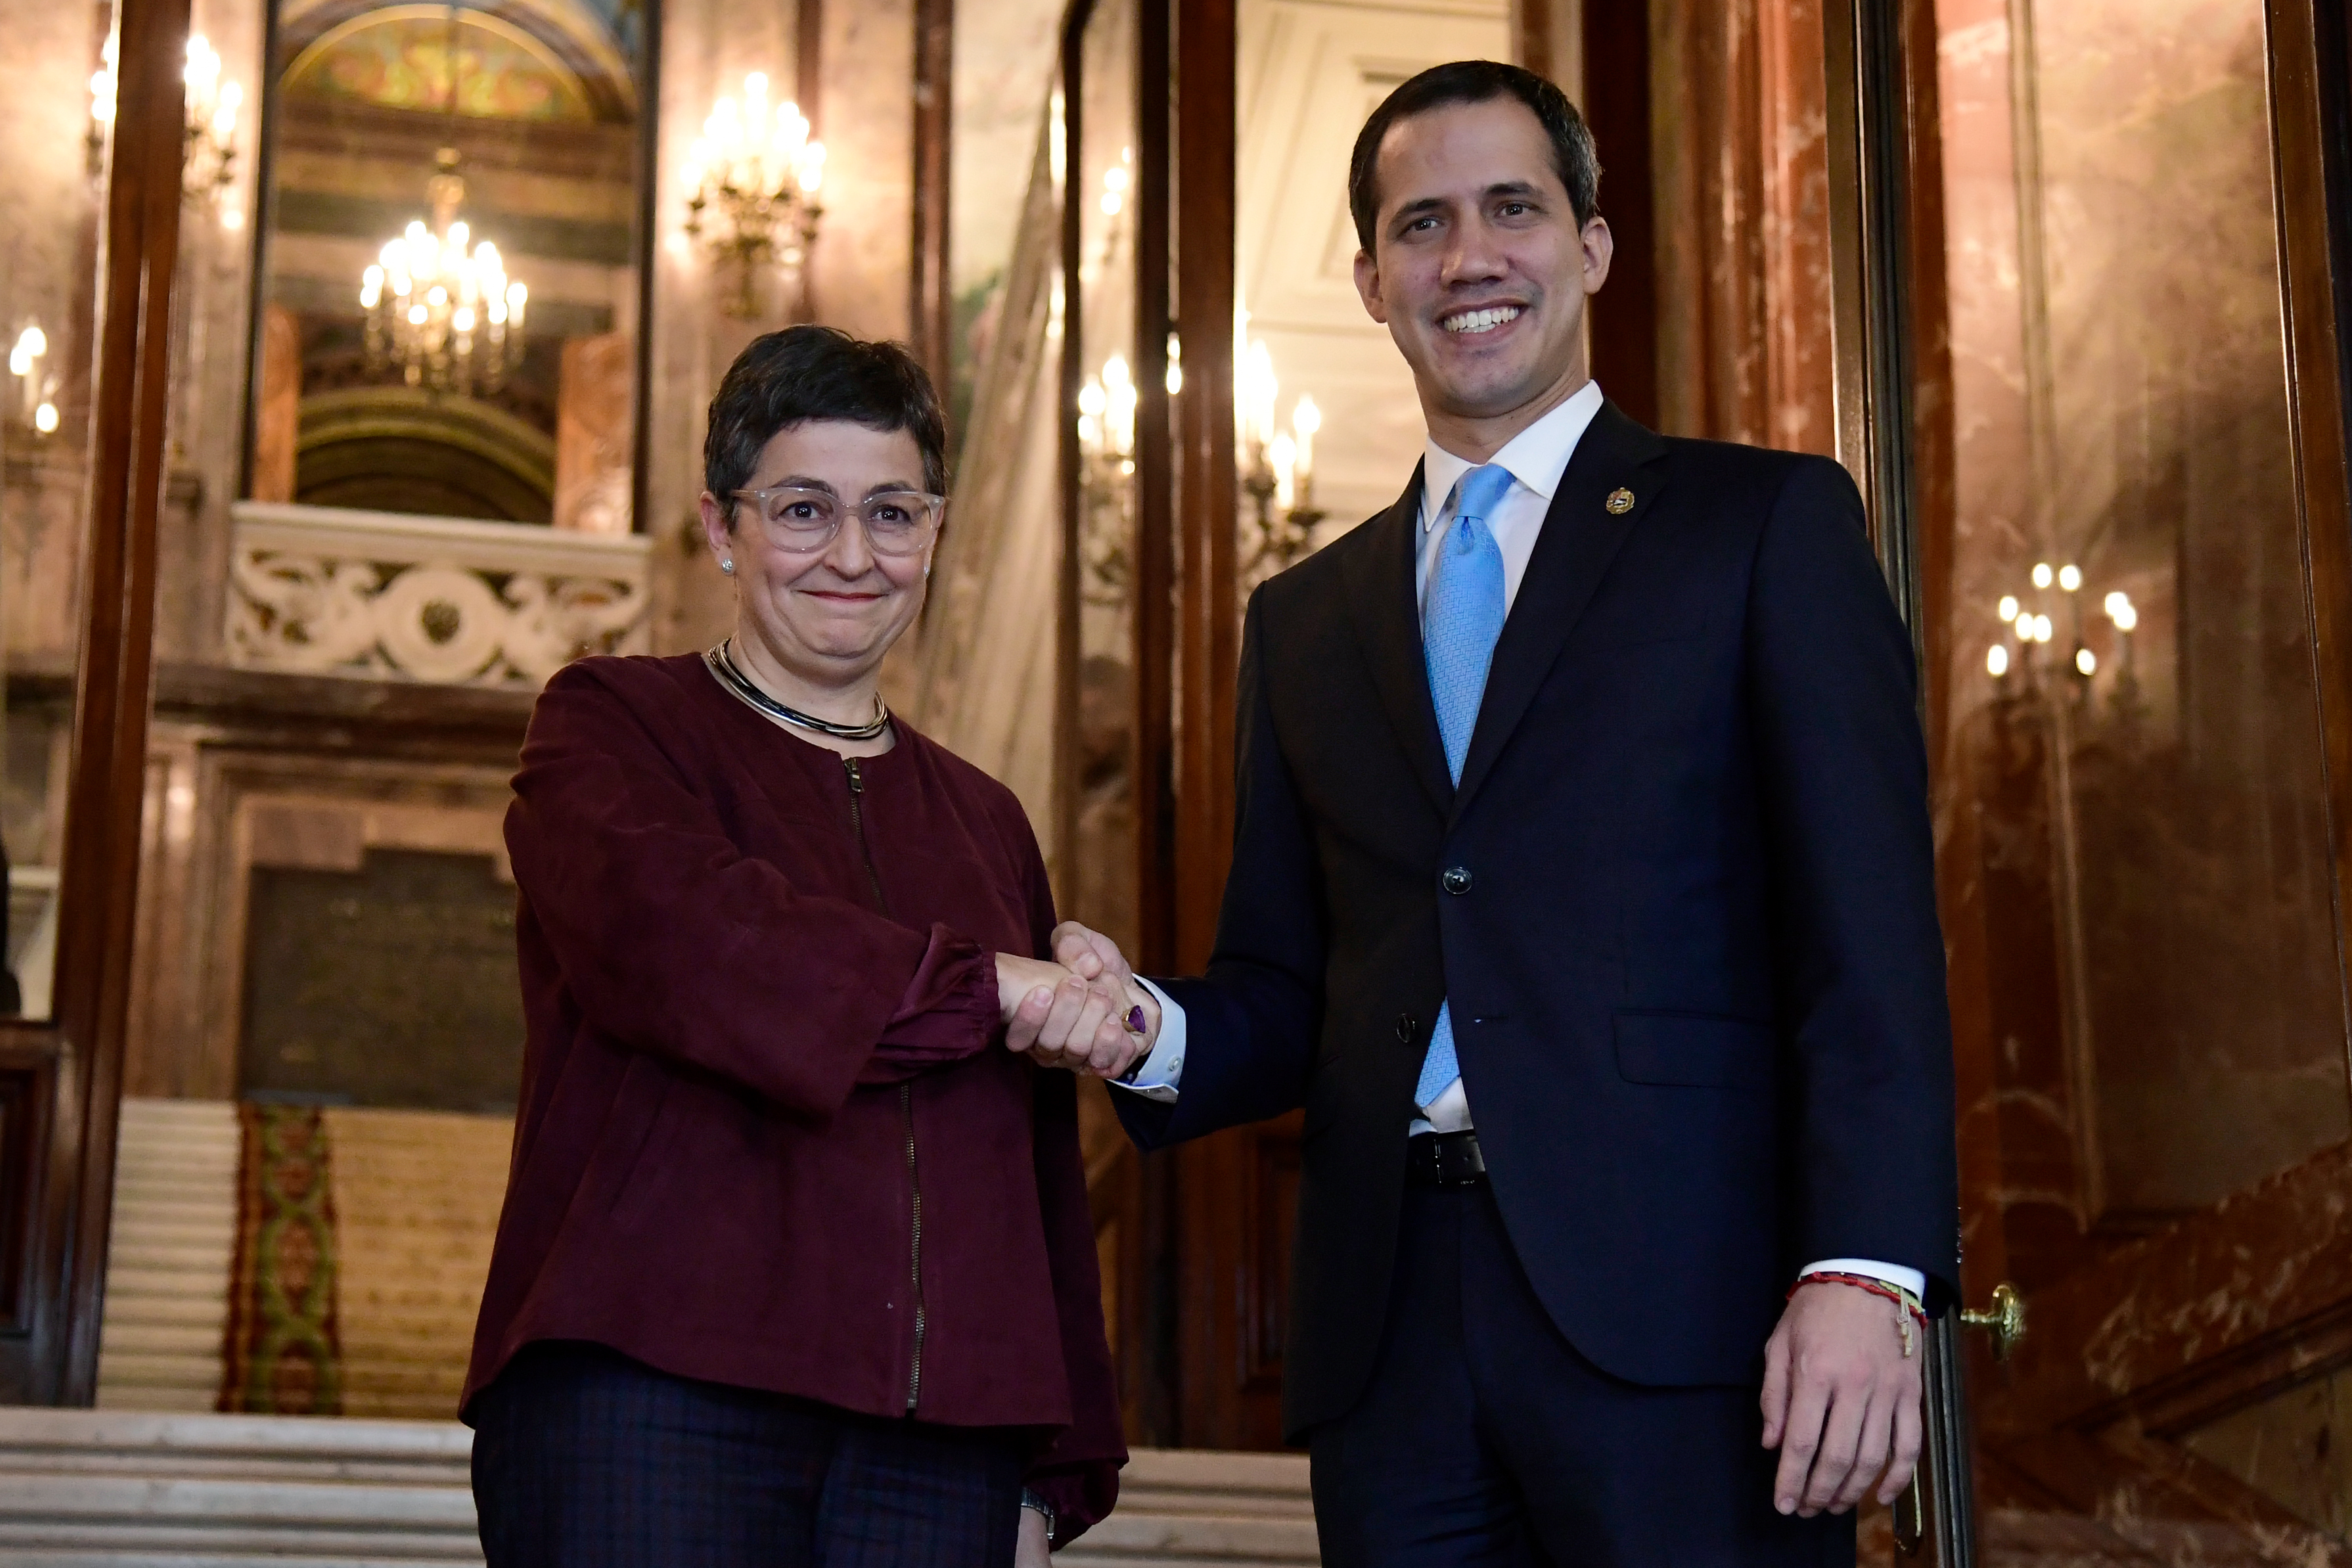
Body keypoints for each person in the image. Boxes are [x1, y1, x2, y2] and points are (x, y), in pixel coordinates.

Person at [1040, 60, 1959, 1565]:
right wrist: (1149, 1028)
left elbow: (1866, 936)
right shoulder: (1303, 616)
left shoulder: (1762, 525)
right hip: (1389, 1331)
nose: (1469, 258)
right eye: (1423, 225)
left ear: (1591, 247)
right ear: (1370, 279)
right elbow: (1291, 980)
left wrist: (1866, 1269)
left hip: (1690, 1318)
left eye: (1513, 209)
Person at [464, 326, 1152, 1568]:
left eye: (892, 514)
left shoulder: (985, 818)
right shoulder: (613, 723)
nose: (853, 555)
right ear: (723, 530)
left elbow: (1027, 1155)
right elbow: (688, 946)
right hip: (653, 1392)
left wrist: (1054, 1459)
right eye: (802, 510)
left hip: (941, 1442)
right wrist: (987, 983)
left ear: (935, 536)